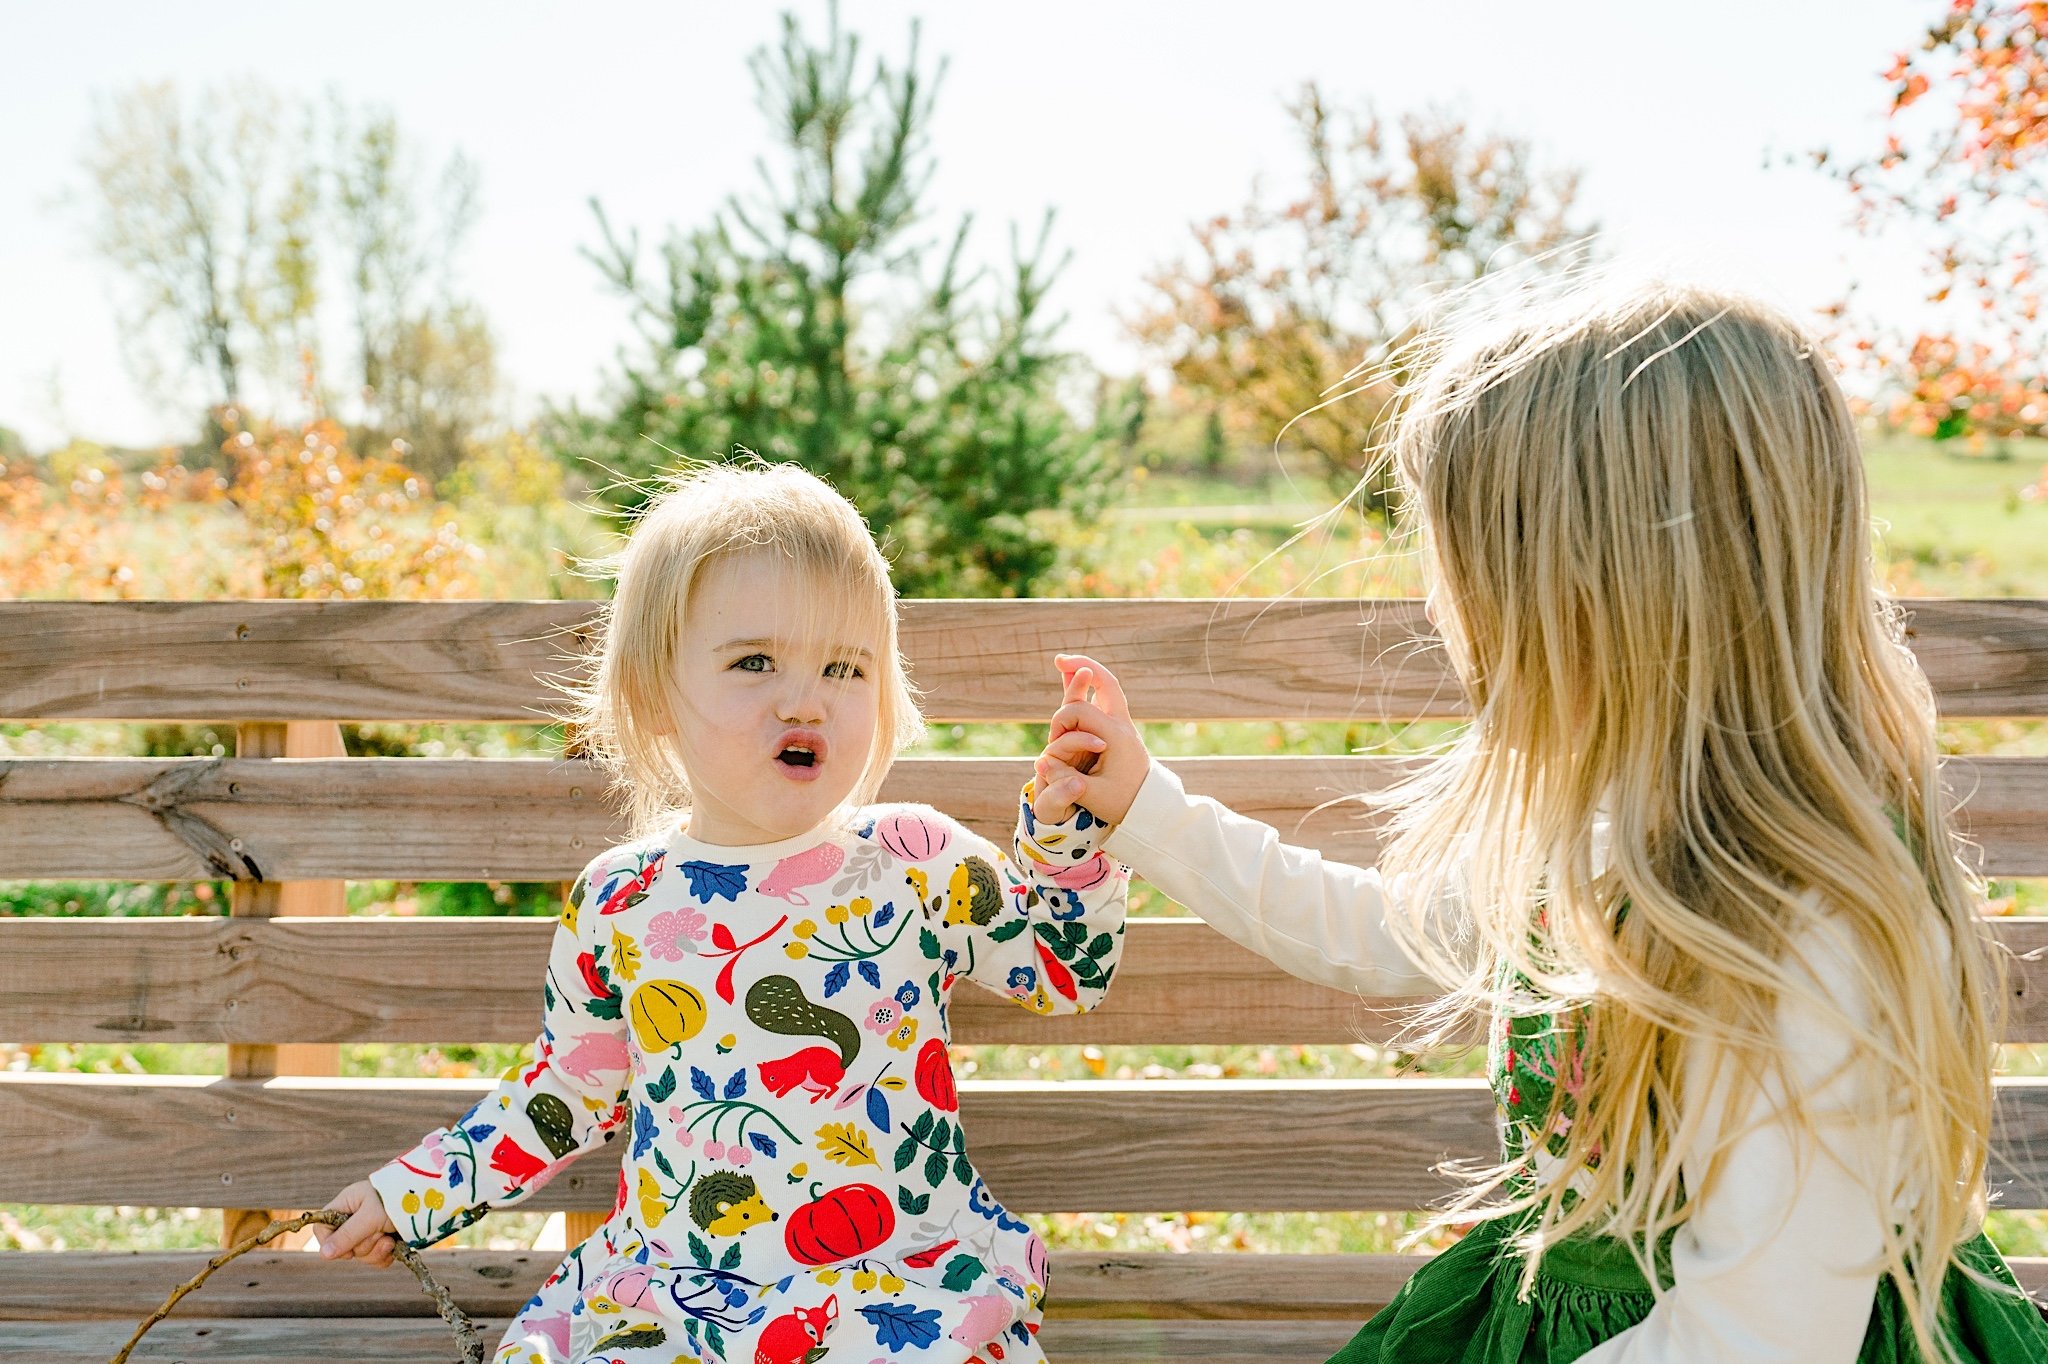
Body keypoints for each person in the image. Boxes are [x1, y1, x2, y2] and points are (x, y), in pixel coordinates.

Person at [1028, 283, 2048, 1362]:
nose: (1435, 608)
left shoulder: (1799, 929)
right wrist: (1147, 808)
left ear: (1600, 591)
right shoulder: (1609, 827)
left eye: (1463, 569)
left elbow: (1756, 1334)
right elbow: (1379, 932)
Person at [312, 462, 1129, 1364]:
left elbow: (1064, 971)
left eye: (843, 666)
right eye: (754, 662)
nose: (803, 697)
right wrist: (410, 1193)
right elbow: (565, 1093)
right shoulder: (623, 900)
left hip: (893, 1288)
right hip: (677, 1297)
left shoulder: (913, 860)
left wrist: (1063, 834)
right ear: (656, 693)